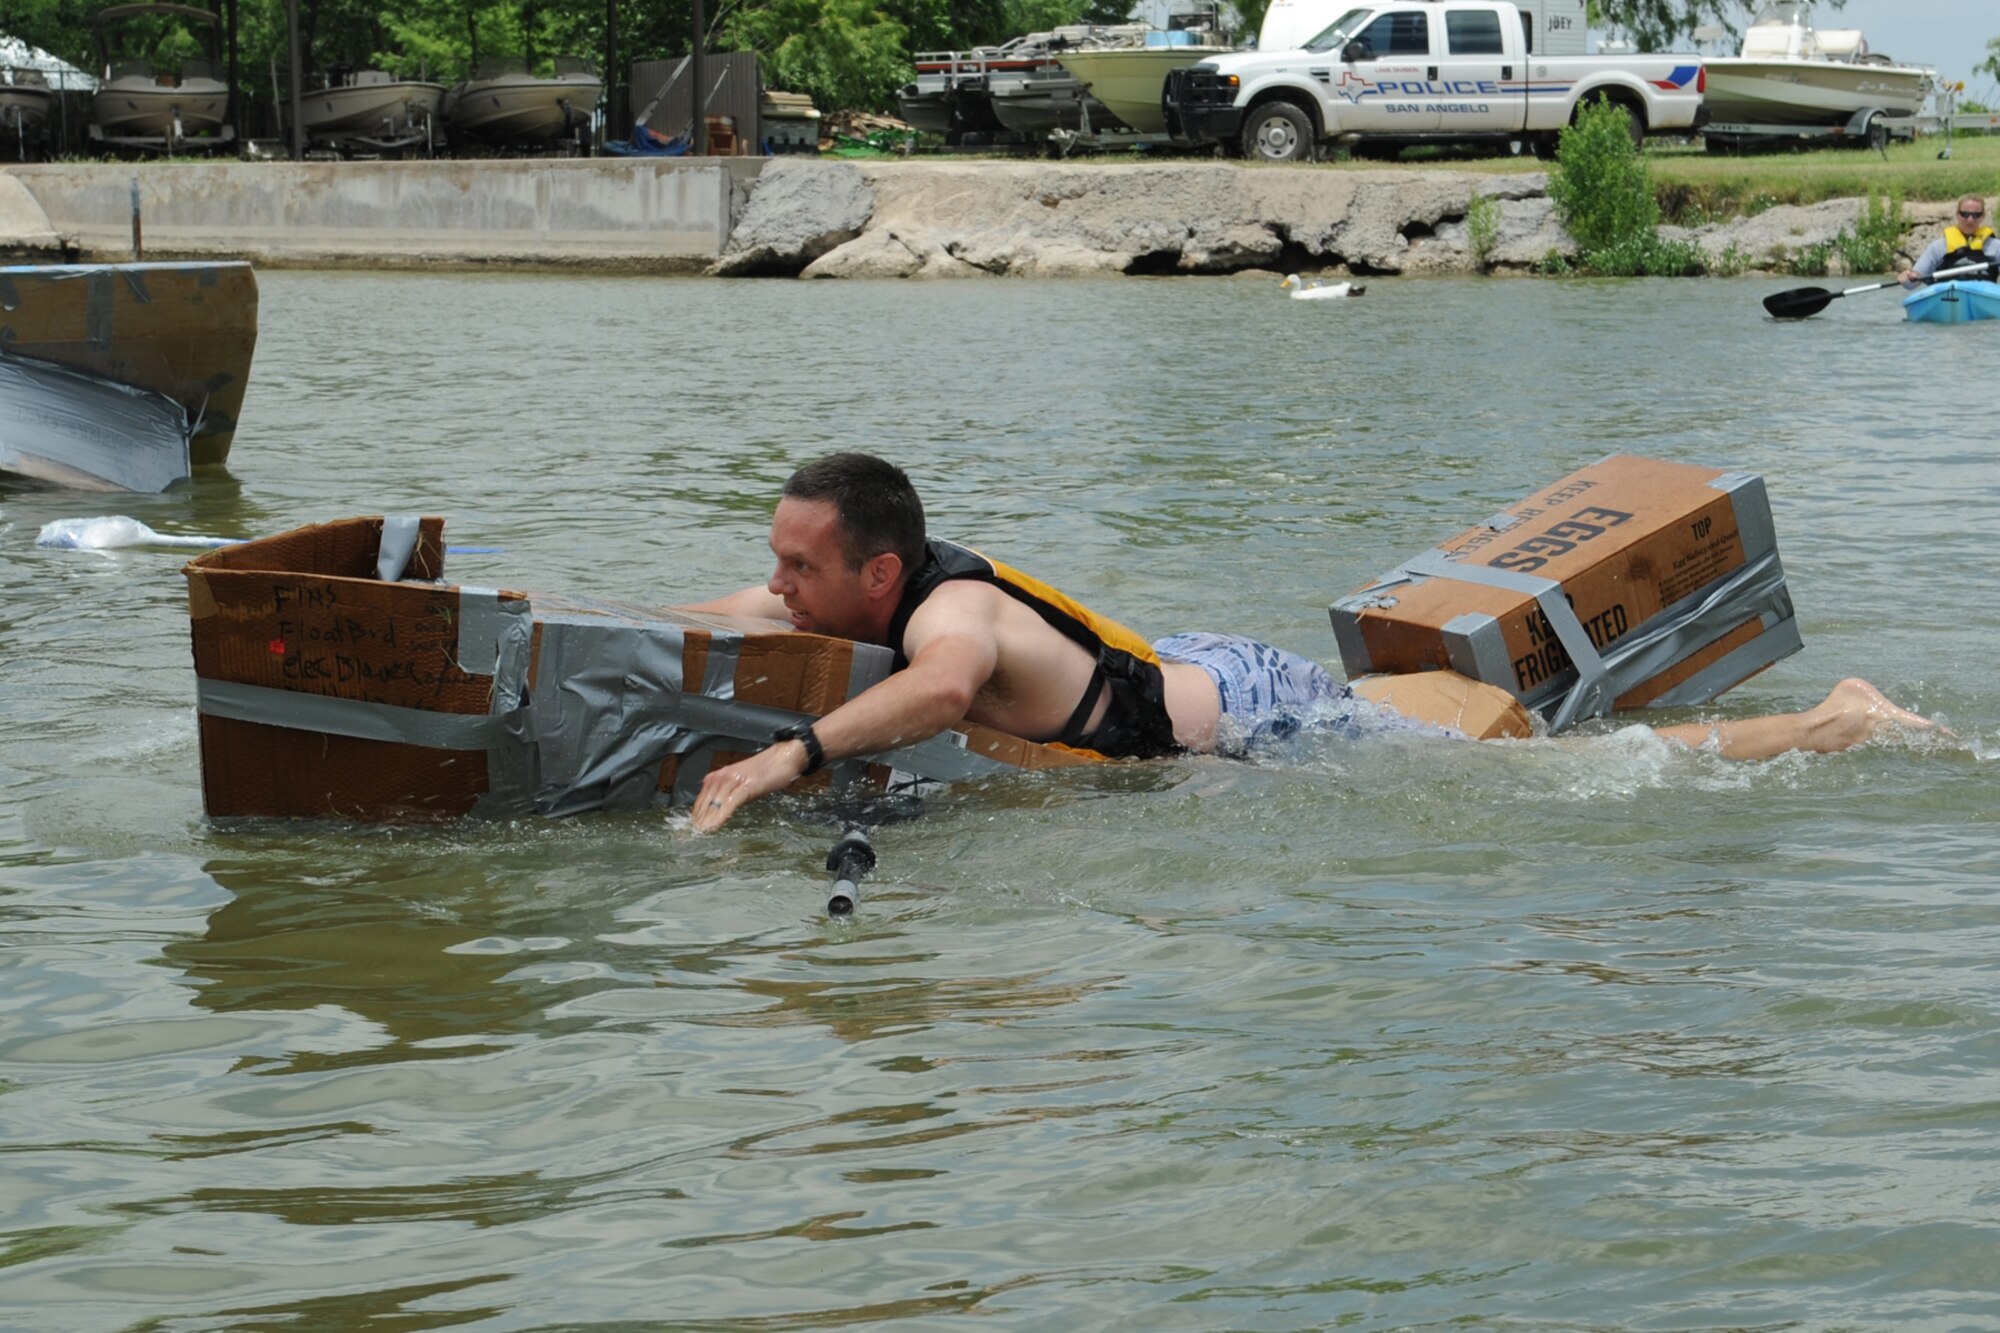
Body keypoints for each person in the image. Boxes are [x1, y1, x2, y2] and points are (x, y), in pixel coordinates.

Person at [681, 453, 1937, 831]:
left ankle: (1834, 718)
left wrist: (786, 756)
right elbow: (702, 620)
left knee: (1544, 778)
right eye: (778, 562)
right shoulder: (849, 589)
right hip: (1179, 675)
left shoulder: (948, 618)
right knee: (1495, 744)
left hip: (1252, 716)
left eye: (799, 566)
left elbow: (948, 684)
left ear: (878, 572)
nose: (778, 586)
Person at [1899, 196, 1998, 287]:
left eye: (1976, 215)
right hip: (1947, 296)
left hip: (1983, 295)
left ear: (1983, 216)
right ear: (1957, 215)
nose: (1970, 220)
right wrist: (1907, 277)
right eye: (1965, 214)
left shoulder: (1996, 247)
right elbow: (1912, 284)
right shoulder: (1938, 247)